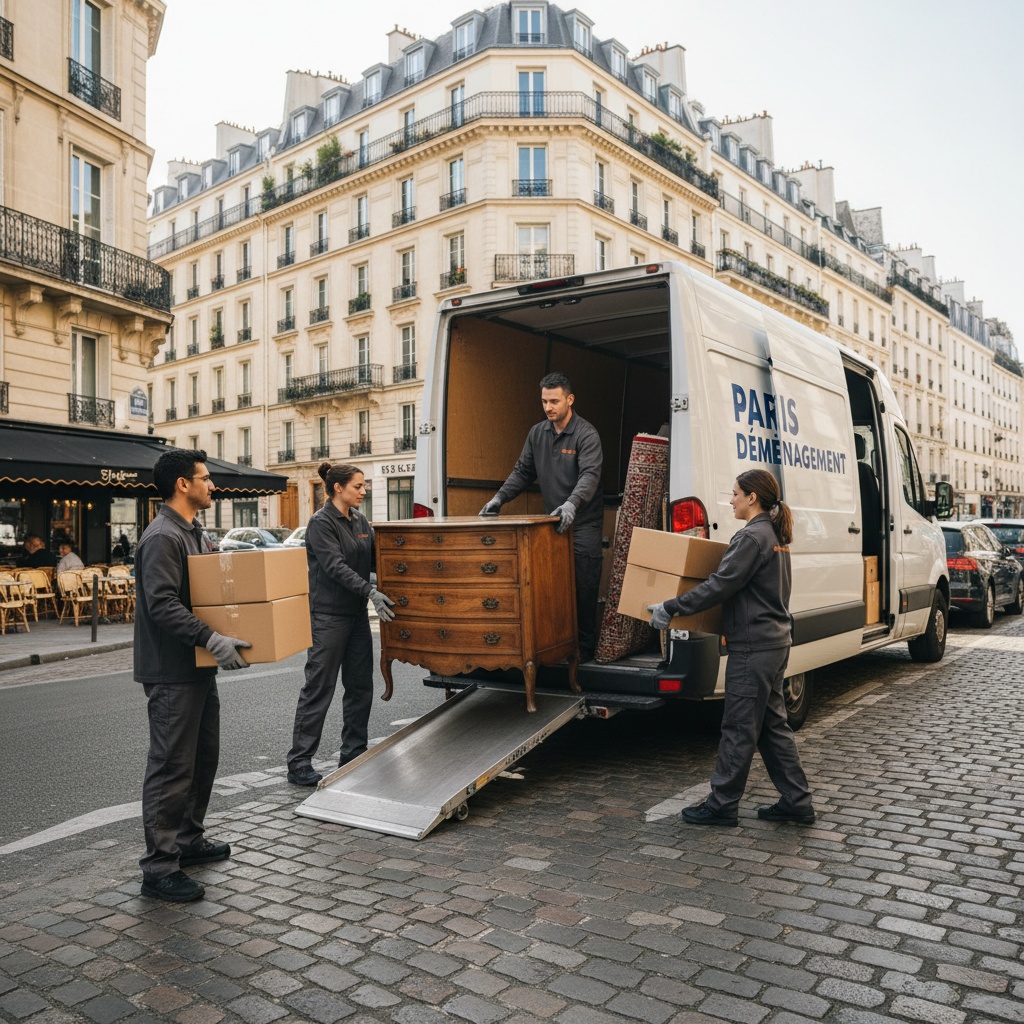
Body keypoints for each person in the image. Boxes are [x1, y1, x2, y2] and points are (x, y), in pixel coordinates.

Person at [647, 469, 815, 827]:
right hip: (774, 643)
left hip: (754, 648)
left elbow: (720, 585)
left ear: (752, 497)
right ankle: (796, 801)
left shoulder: (752, 537)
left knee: (739, 727)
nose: (731, 500)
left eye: (735, 494)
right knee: (772, 727)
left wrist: (671, 607)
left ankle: (721, 805)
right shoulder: (774, 535)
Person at [135, 448, 252, 903]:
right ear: (183, 484)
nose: (212, 485)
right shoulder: (163, 536)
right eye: (205, 478)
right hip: (172, 670)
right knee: (171, 766)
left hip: (197, 665)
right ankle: (159, 867)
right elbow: (162, 604)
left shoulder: (194, 531)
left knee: (202, 758)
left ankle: (188, 840)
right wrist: (211, 638)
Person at [480, 372, 604, 661]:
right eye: (544, 401)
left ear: (570, 399)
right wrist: (499, 498)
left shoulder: (586, 435)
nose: (548, 407)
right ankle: (558, 645)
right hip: (553, 524)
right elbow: (522, 471)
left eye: (554, 401)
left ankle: (585, 652)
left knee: (583, 588)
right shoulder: (537, 433)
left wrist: (571, 504)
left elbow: (589, 476)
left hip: (582, 524)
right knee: (552, 588)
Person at [286, 462, 395, 787]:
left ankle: (353, 753)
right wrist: (370, 591)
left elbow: (373, 559)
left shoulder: (360, 521)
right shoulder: (320, 523)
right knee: (319, 688)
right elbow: (335, 566)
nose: (364, 491)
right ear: (338, 488)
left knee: (360, 687)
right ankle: (299, 762)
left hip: (356, 616)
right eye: (358, 486)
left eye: (364, 486)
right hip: (328, 617)